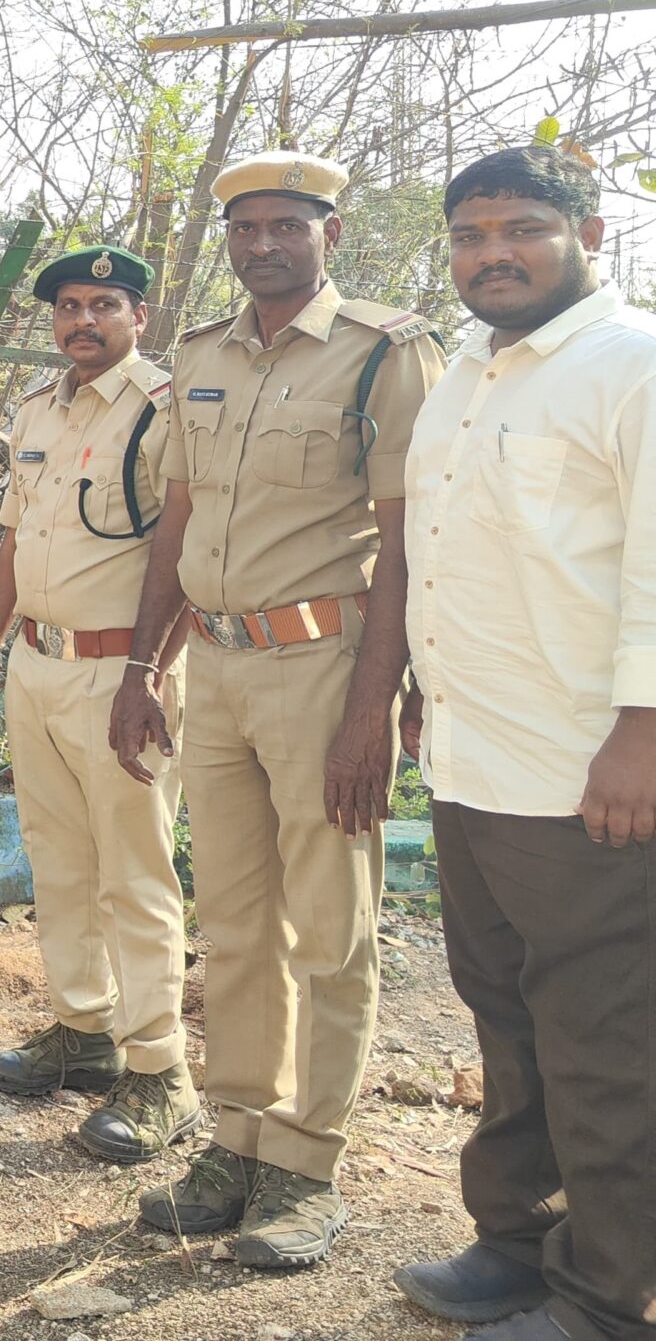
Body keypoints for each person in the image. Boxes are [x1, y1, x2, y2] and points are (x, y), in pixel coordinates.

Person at [114, 151, 443, 1269]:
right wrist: (139, 667)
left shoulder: (384, 356)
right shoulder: (201, 356)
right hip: (215, 667)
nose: (260, 244)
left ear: (329, 234)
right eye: (243, 227)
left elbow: (404, 544)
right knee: (236, 919)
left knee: (329, 928)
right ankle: (238, 1135)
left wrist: (373, 706)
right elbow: (178, 521)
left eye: (283, 226)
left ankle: (306, 1161)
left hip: (324, 673)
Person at [390, 146, 656, 1341]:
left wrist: (640, 735)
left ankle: (609, 1295)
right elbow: (445, 555)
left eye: (520, 230)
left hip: (586, 779)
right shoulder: (464, 371)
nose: (491, 253)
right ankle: (515, 1243)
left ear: (586, 231)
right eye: (470, 234)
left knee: (604, 1045)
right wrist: (417, 692)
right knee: (505, 1018)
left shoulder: (632, 365)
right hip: (471, 762)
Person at [0, 246, 198, 1165]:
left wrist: (148, 672)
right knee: (57, 860)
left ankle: (160, 1070)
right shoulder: (37, 409)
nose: (84, 321)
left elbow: (183, 551)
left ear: (139, 316)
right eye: (69, 305)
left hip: (123, 675)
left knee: (135, 874)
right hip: (37, 664)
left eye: (105, 303)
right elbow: (18, 542)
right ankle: (83, 1028)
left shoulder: (168, 410)